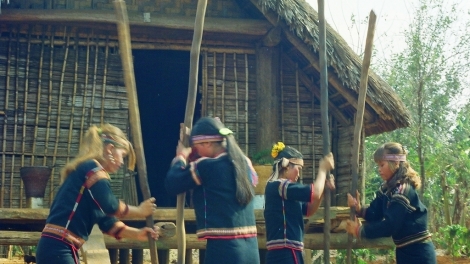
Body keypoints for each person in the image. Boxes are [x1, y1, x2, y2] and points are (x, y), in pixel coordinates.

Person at [36, 124, 160, 264]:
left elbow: (107, 222)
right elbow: (111, 205)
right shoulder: (92, 169)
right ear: (110, 149)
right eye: (123, 155)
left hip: (57, 247)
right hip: (58, 247)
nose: (122, 162)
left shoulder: (87, 178)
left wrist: (137, 234)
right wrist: (140, 211)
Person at [165, 117, 260, 264]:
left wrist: (181, 157)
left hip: (225, 250)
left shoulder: (207, 166)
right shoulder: (244, 163)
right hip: (251, 251)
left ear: (207, 143)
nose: (195, 151)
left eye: (196, 146)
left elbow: (173, 183)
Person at [345, 142, 436, 263]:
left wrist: (360, 231)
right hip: (404, 252)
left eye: (382, 165)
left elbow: (390, 225)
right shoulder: (387, 189)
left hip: (419, 253)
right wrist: (359, 209)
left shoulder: (403, 191)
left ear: (396, 163)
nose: (379, 170)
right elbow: (375, 213)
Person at [264, 142, 335, 264]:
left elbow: (309, 210)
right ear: (286, 166)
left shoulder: (283, 191)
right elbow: (315, 193)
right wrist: (323, 169)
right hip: (286, 252)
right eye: (298, 168)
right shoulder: (281, 185)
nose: (299, 174)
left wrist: (323, 191)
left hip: (284, 251)